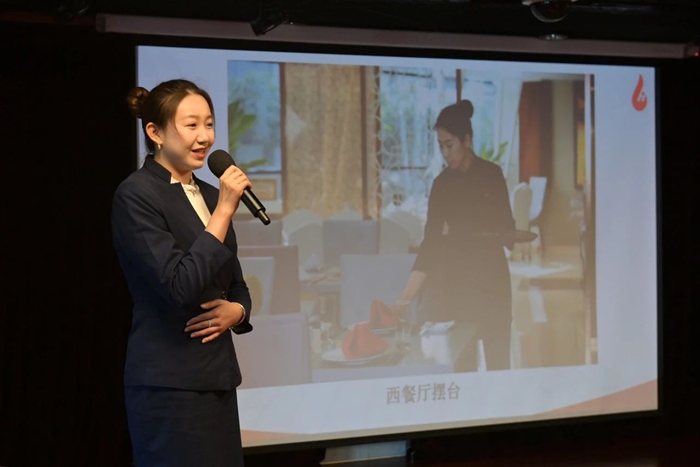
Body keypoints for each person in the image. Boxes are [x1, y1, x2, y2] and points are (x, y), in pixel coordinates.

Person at [111, 79, 253, 467]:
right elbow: (180, 285)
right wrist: (224, 212)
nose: (205, 136)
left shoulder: (210, 194)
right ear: (155, 132)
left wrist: (237, 311)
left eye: (209, 124)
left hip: (218, 378)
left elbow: (235, 283)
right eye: (191, 125)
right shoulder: (137, 194)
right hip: (169, 384)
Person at [398, 99, 516, 372]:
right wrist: (405, 298)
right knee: (463, 370)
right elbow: (431, 244)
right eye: (440, 146)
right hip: (459, 286)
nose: (444, 153)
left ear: (467, 139)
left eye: (449, 145)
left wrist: (470, 232)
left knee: (499, 367)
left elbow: (507, 228)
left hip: (493, 282)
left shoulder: (492, 175)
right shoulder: (441, 185)